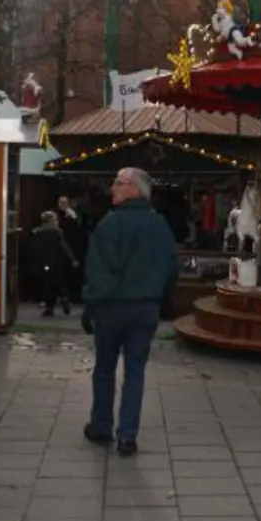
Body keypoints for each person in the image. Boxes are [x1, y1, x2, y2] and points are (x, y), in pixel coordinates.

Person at [82, 167, 178, 455]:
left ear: (135, 189)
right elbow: (172, 268)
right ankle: (127, 435)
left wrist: (91, 306)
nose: (112, 188)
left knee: (104, 369)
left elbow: (99, 271)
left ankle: (101, 426)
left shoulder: (110, 224)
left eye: (118, 183)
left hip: (112, 308)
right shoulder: (159, 225)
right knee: (135, 370)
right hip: (146, 307)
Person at [27, 211, 76, 317]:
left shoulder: (36, 233)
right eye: (55, 220)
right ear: (50, 221)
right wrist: (72, 259)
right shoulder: (57, 233)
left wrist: (34, 263)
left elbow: (33, 250)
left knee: (47, 284)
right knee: (60, 282)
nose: (57, 222)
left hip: (44, 263)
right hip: (57, 262)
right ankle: (64, 297)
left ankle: (50, 307)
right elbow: (64, 248)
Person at [56, 195, 88, 303]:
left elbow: (77, 232)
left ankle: (73, 296)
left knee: (73, 274)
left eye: (64, 202)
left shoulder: (73, 216)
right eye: (60, 202)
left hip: (73, 248)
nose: (62, 205)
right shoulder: (56, 216)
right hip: (61, 249)